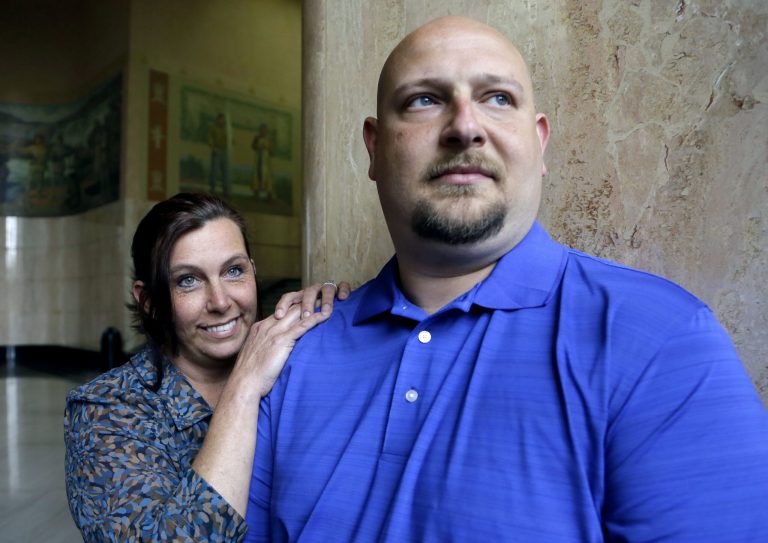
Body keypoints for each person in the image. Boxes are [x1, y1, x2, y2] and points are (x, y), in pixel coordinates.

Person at [245, 16, 768, 542]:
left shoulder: (662, 342)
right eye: (424, 100)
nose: (465, 126)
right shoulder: (293, 354)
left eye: (497, 98)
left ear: (539, 143)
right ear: (374, 149)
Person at [64, 192, 349, 542]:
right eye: (188, 280)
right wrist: (242, 388)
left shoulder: (293, 364)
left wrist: (335, 312)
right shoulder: (107, 409)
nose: (220, 301)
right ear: (150, 301)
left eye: (233, 271)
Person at [208, 113, 230, 195]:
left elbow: (229, 139)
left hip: (224, 151)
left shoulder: (226, 129)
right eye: (221, 119)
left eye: (223, 119)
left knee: (225, 171)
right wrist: (214, 148)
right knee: (215, 171)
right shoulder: (213, 128)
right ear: (218, 119)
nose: (222, 121)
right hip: (217, 150)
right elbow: (210, 139)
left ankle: (225, 190)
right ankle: (212, 189)